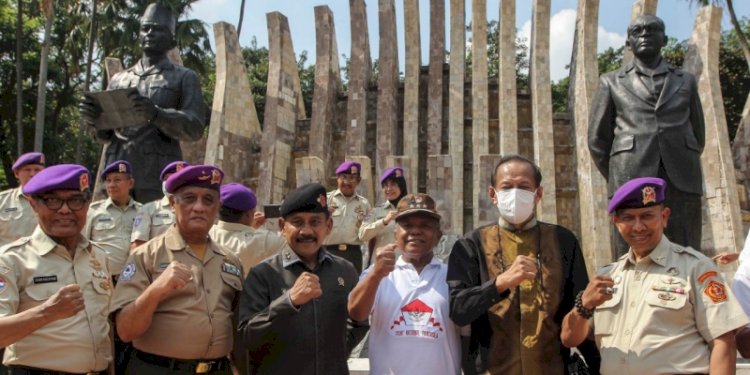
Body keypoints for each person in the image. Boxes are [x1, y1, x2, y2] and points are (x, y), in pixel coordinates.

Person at [560, 177, 749, 374]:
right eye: (628, 218)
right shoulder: (608, 275)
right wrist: (584, 305)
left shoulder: (696, 268)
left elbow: (724, 341)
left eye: (647, 216)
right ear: (616, 222)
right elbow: (569, 338)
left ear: (664, 217)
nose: (638, 226)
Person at [447, 154, 594, 374]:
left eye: (524, 187)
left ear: (538, 194)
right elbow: (458, 309)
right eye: (507, 187)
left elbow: (579, 310)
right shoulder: (471, 245)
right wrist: (499, 283)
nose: (515, 194)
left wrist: (598, 365)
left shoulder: (563, 241)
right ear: (493, 194)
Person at [588, 14, 705, 254]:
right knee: (632, 248)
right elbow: (597, 140)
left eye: (652, 30)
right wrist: (619, 173)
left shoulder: (686, 81)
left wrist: (680, 156)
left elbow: (697, 133)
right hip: (630, 173)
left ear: (665, 39)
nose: (645, 35)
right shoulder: (611, 82)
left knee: (685, 248)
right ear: (628, 42)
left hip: (681, 176)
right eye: (637, 31)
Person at [110, 165, 243, 374]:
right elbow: (125, 331)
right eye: (189, 198)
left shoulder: (231, 261)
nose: (199, 207)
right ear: (173, 203)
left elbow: (236, 325)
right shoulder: (146, 255)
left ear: (217, 207)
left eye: (208, 200)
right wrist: (156, 290)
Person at [80, 3, 206, 203]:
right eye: (145, 28)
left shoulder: (183, 77)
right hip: (117, 173)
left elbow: (195, 127)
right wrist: (94, 120)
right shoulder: (119, 79)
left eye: (158, 29)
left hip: (158, 176)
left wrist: (157, 114)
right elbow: (105, 136)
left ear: (172, 39)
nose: (150, 33)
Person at [238, 183, 368, 374]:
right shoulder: (263, 273)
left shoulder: (345, 271)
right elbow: (245, 337)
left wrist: (333, 352)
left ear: (329, 225)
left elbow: (359, 322)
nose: (306, 231)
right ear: (283, 226)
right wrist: (289, 302)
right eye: (297, 222)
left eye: (315, 222)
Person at [0, 164, 112, 373]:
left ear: (88, 205)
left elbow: (104, 325)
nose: (65, 209)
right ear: (34, 205)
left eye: (75, 200)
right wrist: (48, 312)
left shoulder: (98, 255)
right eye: (52, 200)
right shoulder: (11, 259)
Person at [349, 193, 461, 374]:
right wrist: (376, 275)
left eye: (425, 226)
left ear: (439, 235)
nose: (415, 231)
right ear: (395, 234)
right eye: (407, 226)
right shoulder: (376, 274)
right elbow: (356, 313)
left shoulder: (453, 278)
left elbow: (466, 335)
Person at [210, 182, 286, 275]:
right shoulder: (263, 241)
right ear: (249, 214)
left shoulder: (206, 234)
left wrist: (250, 227)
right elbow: (291, 246)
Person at [84, 160, 142, 277]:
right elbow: (82, 244)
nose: (111, 185)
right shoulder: (94, 210)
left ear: (130, 183)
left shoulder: (142, 211)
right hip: (100, 279)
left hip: (133, 279)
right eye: (108, 181)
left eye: (117, 180)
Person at [323, 161, 371, 274]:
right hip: (328, 252)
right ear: (337, 179)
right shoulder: (326, 200)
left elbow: (368, 228)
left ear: (358, 181)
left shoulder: (365, 205)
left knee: (353, 289)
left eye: (352, 178)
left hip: (353, 254)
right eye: (343, 177)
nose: (347, 182)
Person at [130, 160, 188, 250]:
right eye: (167, 179)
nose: (172, 183)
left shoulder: (197, 209)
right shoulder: (148, 209)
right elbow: (138, 246)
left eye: (178, 179)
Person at [358, 166, 408, 268]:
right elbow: (362, 235)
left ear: (401, 186)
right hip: (381, 267)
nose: (389, 189)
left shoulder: (411, 210)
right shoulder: (374, 211)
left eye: (393, 184)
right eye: (385, 185)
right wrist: (384, 222)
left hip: (406, 267)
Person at [0, 152, 45, 247]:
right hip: (7, 259)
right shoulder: (2, 200)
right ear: (17, 173)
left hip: (43, 259)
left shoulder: (55, 201)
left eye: (37, 170)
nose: (32, 174)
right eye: (27, 170)